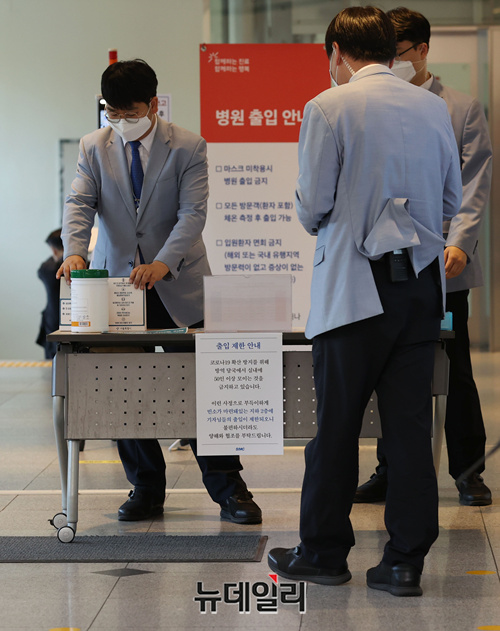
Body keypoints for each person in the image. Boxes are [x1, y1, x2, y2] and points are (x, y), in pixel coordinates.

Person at [267, 6, 462, 596]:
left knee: (337, 427)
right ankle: (404, 562)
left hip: (355, 288)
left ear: (336, 52)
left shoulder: (329, 106)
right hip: (420, 287)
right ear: (391, 48)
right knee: (409, 429)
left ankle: (323, 553)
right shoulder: (432, 107)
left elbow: (312, 206)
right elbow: (450, 201)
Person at [57, 59, 261, 525]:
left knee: (204, 389)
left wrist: (163, 262)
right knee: (123, 387)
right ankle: (145, 487)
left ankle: (229, 489)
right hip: (117, 288)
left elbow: (192, 214)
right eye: (111, 113)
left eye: (129, 113)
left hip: (179, 283)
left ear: (152, 104)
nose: (120, 121)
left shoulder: (188, 145)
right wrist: (75, 252)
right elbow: (80, 203)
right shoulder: (93, 146)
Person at [355, 7, 493, 508]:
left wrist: (460, 242)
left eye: (398, 53)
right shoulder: (368, 104)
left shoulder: (461, 107)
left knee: (454, 368)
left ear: (423, 51)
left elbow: (475, 183)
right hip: (385, 261)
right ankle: (389, 469)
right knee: (389, 365)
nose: (391, 62)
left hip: (445, 260)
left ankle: (469, 471)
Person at [36, 229, 64, 359]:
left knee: (52, 365)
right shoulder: (85, 266)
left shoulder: (47, 269)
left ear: (53, 250)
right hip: (79, 325)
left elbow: (44, 268)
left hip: (53, 324)